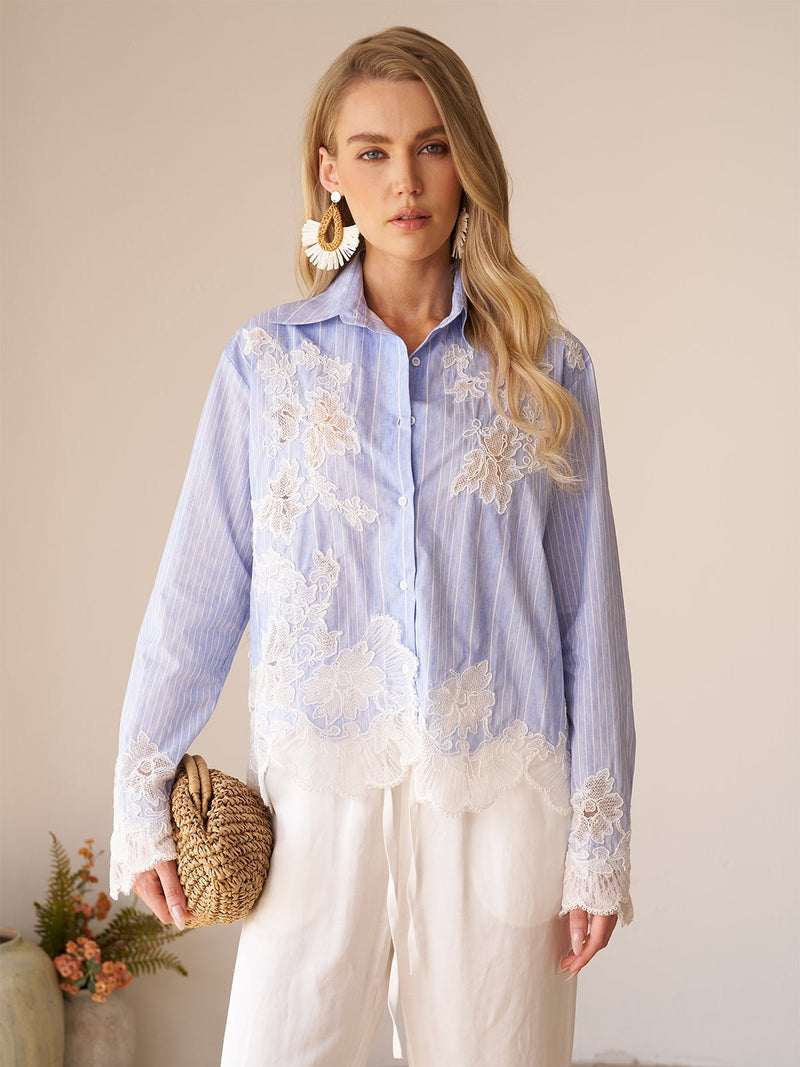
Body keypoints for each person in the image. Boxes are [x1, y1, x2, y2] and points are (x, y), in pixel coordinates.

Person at [109, 25, 635, 1067]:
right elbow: (198, 595)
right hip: (315, 803)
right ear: (329, 174)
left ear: (468, 161)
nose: (407, 180)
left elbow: (589, 618)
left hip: (500, 800)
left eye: (433, 146)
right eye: (372, 151)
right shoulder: (267, 365)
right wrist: (141, 799)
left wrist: (596, 844)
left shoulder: (545, 366)